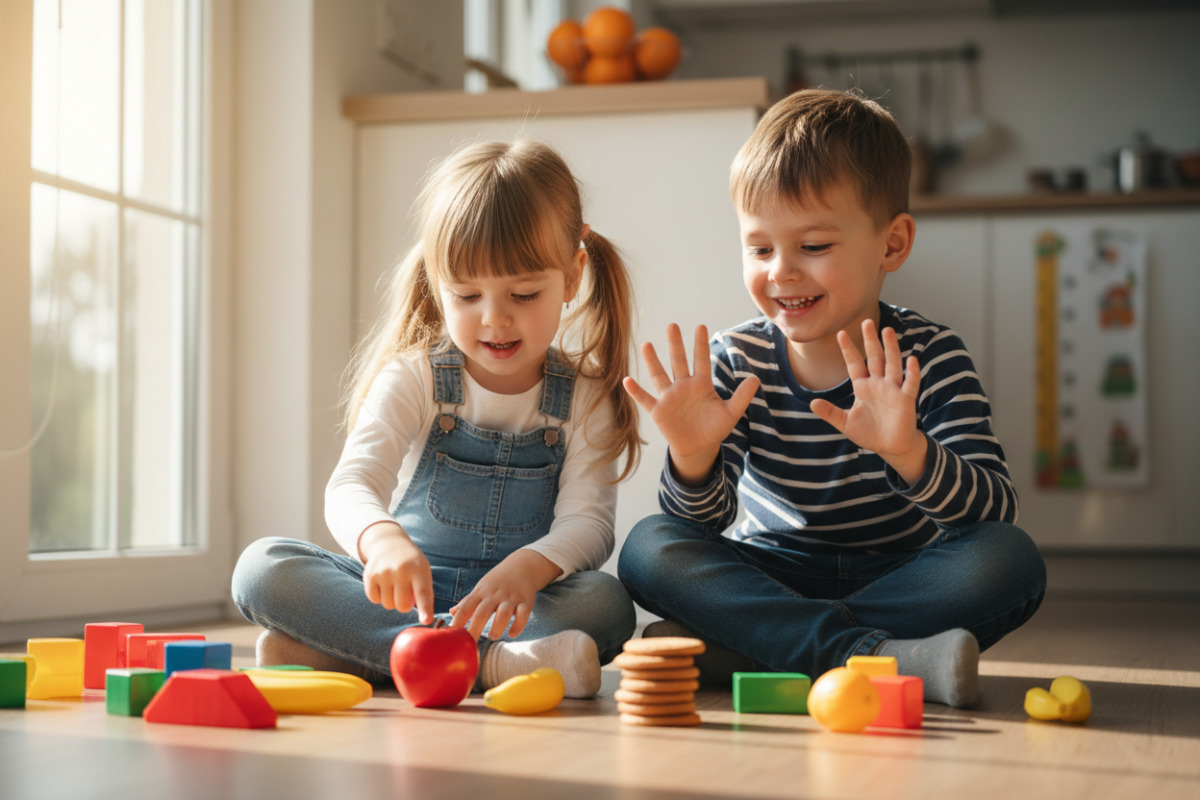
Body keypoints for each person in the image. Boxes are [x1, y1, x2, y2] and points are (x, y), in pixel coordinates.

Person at [618, 89, 1046, 708]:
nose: (781, 272)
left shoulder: (932, 355)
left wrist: (910, 453)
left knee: (1010, 560)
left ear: (892, 244)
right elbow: (698, 522)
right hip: (770, 574)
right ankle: (869, 657)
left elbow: (991, 511)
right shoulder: (738, 361)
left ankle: (764, 648)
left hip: (899, 575)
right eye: (760, 248)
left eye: (813, 247)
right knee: (649, 547)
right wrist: (692, 458)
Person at [232, 140, 641, 698]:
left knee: (607, 602)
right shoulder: (415, 377)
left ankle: (366, 654)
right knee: (261, 568)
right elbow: (353, 483)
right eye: (467, 294)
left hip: (516, 607)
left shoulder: (587, 398)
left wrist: (529, 569)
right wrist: (381, 541)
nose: (494, 318)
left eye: (523, 293)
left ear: (572, 277)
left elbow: (588, 525)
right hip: (403, 599)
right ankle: (494, 667)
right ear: (436, 280)